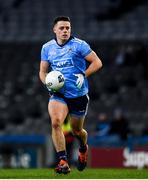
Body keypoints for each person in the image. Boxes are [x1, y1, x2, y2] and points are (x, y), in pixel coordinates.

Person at [39, 16, 102, 174]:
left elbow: (97, 62)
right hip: (59, 94)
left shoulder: (79, 45)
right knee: (56, 122)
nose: (65, 30)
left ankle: (83, 148)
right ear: (54, 30)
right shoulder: (47, 48)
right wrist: (47, 82)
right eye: (61, 28)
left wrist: (84, 75)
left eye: (67, 28)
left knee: (77, 131)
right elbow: (42, 71)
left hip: (78, 95)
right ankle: (62, 160)